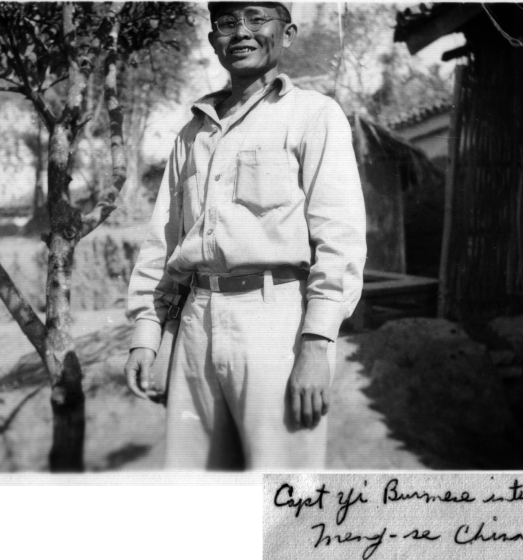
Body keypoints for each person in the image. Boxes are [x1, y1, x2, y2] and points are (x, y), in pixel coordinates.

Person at [124, 1, 366, 470]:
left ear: (288, 32)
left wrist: (317, 344)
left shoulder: (314, 115)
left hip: (277, 325)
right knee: (196, 492)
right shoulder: (191, 134)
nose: (242, 32)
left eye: (257, 19)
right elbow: (163, 243)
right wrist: (146, 334)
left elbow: (340, 237)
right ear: (213, 39)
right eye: (227, 22)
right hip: (196, 323)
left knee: (282, 493)